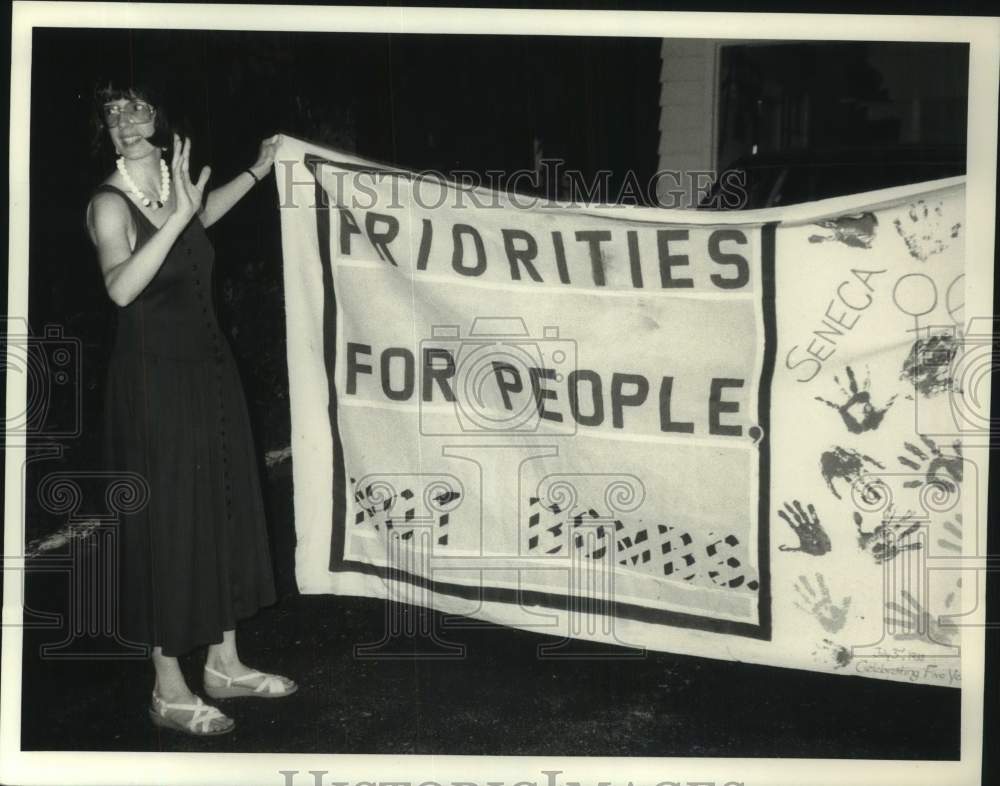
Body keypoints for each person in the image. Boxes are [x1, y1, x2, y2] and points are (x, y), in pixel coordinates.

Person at [85, 83, 296, 736]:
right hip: (152, 387)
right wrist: (177, 215)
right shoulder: (107, 204)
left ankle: (224, 664)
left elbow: (199, 218)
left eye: (137, 108)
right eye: (113, 113)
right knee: (168, 524)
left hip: (209, 374)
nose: (124, 121)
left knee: (221, 508)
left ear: (162, 120)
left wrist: (260, 169)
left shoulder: (177, 192)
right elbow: (120, 288)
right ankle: (167, 686)